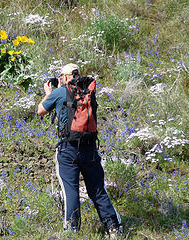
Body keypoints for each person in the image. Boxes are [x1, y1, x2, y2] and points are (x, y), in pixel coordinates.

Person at [37, 63, 122, 238]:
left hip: (67, 149)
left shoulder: (60, 92)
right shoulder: (89, 91)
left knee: (71, 191)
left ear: (66, 77)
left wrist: (48, 93)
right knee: (97, 189)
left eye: (61, 76)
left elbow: (40, 111)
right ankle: (113, 228)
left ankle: (72, 231)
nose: (60, 79)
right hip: (90, 148)